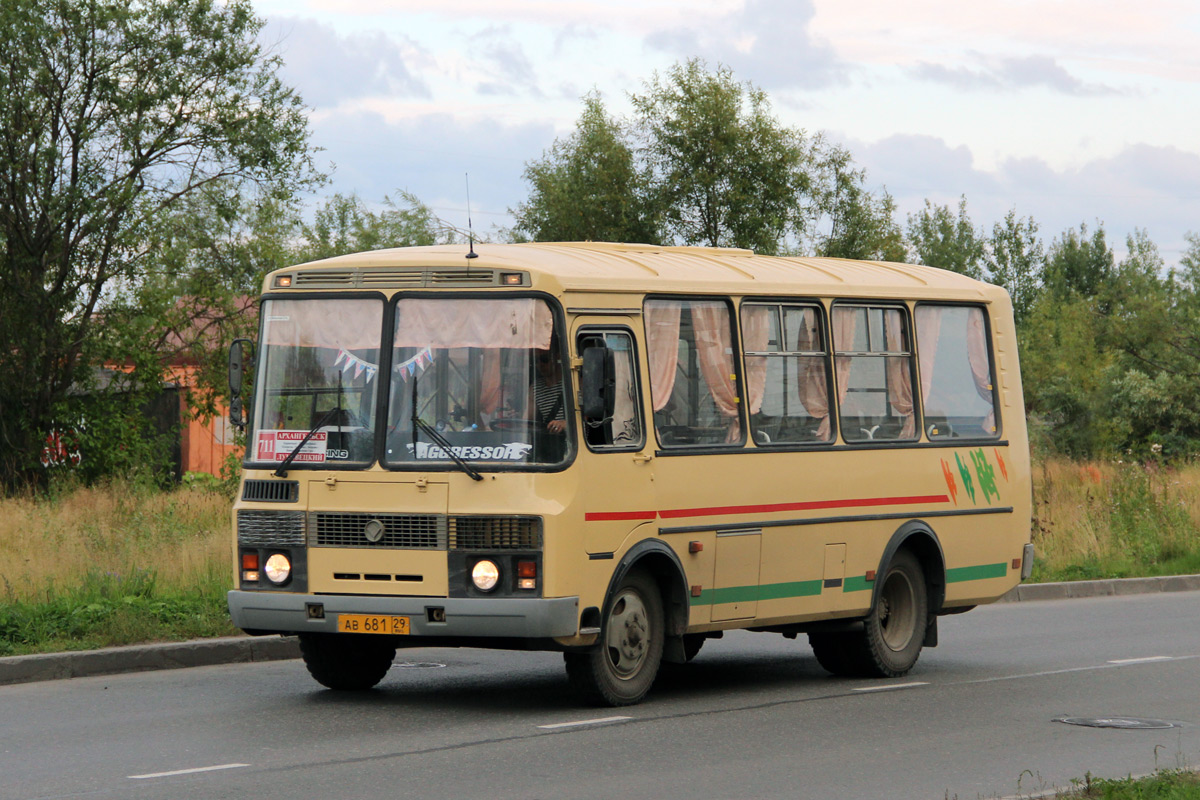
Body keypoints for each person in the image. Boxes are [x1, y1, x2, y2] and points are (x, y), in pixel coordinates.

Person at [530, 348, 566, 433]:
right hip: (550, 442)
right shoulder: (535, 388)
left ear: (557, 357)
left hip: (575, 440)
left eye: (544, 359)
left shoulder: (576, 383)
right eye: (535, 361)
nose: (540, 364)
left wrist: (566, 424)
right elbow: (527, 419)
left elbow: (587, 419)